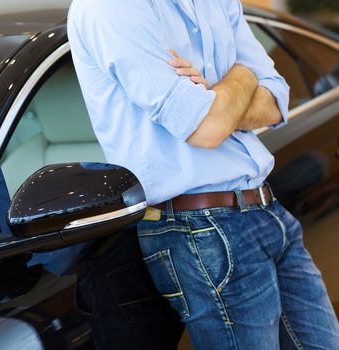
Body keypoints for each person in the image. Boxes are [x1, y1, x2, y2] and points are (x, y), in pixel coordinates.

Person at [67, 0, 339, 348]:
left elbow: (275, 99)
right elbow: (207, 128)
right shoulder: (111, 8)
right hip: (200, 228)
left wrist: (212, 95)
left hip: (267, 209)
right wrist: (242, 75)